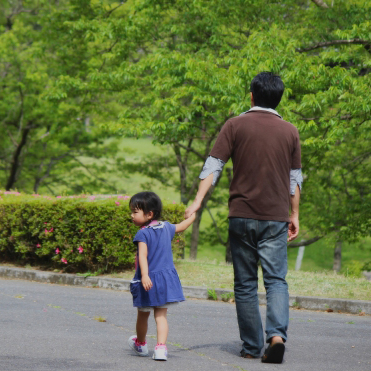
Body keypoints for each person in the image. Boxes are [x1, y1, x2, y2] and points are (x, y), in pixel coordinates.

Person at [185, 72, 303, 364]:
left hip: (241, 216)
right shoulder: (290, 131)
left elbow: (214, 165)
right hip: (275, 217)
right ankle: (276, 337)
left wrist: (197, 201)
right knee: (276, 280)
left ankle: (252, 345)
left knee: (246, 283)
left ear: (251, 96)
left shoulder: (234, 125)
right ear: (279, 98)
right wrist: (295, 213)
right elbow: (294, 178)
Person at [128, 191, 195, 361]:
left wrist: (144, 275)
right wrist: (192, 216)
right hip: (165, 279)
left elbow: (142, 256)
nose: (131, 215)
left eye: (135, 212)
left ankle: (141, 344)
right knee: (161, 316)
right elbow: (183, 226)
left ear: (149, 214)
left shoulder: (142, 233)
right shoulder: (166, 227)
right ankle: (160, 348)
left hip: (148, 279)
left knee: (143, 314)